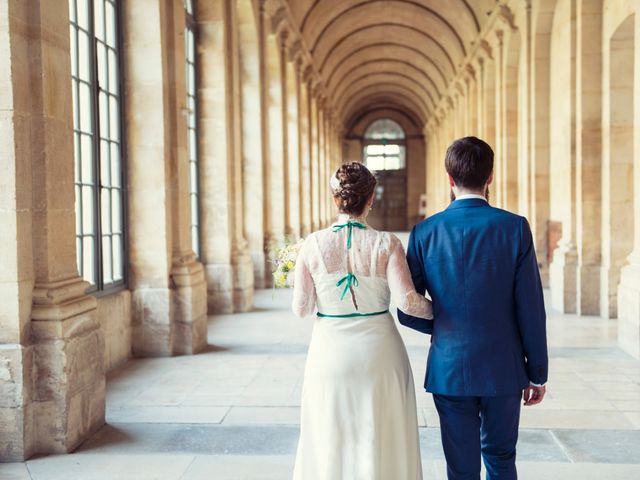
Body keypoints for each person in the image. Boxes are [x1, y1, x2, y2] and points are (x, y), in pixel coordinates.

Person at [398, 136, 549, 480]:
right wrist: (537, 372)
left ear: (449, 179)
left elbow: (407, 309)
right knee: (501, 457)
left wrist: (446, 324)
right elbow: (531, 308)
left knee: (460, 467)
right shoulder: (515, 228)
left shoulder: (424, 232)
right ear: (490, 177)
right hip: (505, 367)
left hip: (449, 368)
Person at [291, 161, 433, 480]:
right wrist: (449, 312)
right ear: (371, 199)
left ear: (334, 200)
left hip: (330, 355)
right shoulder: (387, 243)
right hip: (380, 355)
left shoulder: (313, 244)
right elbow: (408, 302)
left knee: (329, 436)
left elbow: (301, 308)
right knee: (383, 434)